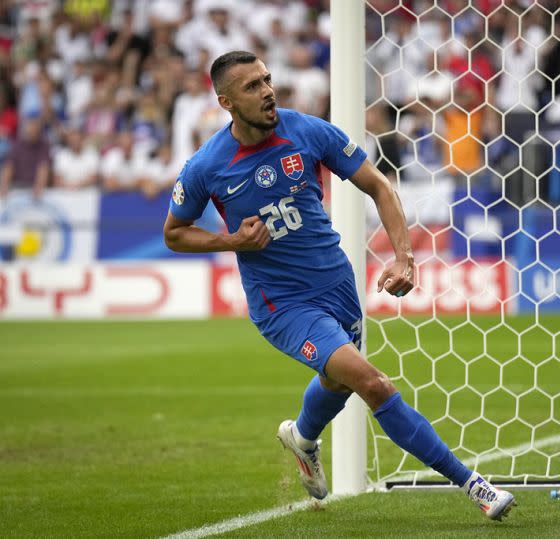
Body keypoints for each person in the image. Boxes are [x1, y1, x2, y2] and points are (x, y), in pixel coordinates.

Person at [162, 51, 516, 521]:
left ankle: (303, 438)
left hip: (337, 284)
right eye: (252, 87)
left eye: (268, 79)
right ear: (226, 101)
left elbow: (379, 186)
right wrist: (230, 239)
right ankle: (475, 486)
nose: (268, 91)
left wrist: (404, 255)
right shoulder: (206, 166)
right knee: (371, 381)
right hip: (283, 304)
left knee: (337, 380)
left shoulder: (308, 131)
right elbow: (174, 232)